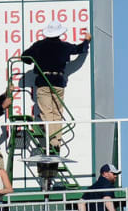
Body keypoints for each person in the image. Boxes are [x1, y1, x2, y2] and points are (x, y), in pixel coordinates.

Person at [20, 22, 89, 152]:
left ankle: (52, 141)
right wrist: (86, 40)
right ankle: (56, 141)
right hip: (58, 82)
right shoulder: (64, 46)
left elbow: (24, 57)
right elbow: (80, 49)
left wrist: (35, 59)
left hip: (43, 81)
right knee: (57, 113)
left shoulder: (39, 46)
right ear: (60, 33)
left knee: (47, 113)